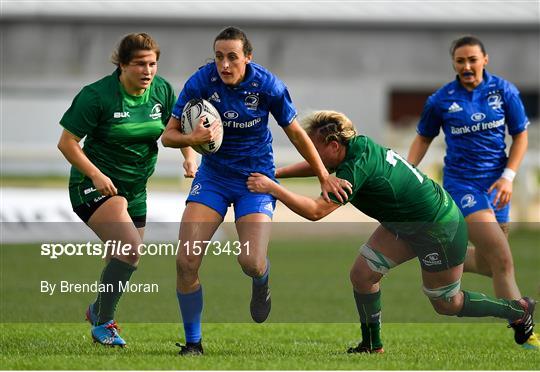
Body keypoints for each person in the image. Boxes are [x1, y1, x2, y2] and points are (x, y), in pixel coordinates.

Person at [246, 110, 536, 353]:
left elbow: (316, 211)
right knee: (362, 275)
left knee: (447, 304)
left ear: (334, 146)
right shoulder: (354, 146)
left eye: (314, 147)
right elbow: (319, 166)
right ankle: (372, 345)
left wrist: (273, 188)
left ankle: (517, 310)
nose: (309, 154)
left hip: (438, 227)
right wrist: (277, 173)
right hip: (405, 222)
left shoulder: (355, 168)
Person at [161, 26, 350, 355]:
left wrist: (322, 175)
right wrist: (193, 141)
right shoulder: (201, 82)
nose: (225, 64)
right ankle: (193, 344)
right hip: (214, 178)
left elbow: (295, 133)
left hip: (255, 181)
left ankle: (261, 280)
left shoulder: (268, 85)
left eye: (233, 57)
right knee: (186, 261)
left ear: (248, 57)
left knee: (251, 261)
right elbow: (169, 135)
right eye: (219, 57)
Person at [406, 35, 538, 350]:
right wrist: (407, 171)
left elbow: (520, 136)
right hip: (462, 186)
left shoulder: (504, 91)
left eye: (472, 60)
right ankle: (523, 326)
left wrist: (508, 177)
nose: (467, 66)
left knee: (494, 262)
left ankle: (437, 254)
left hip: (497, 185)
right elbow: (423, 138)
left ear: (484, 60)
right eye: (460, 61)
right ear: (454, 63)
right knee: (503, 261)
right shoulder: (440, 99)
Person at [57, 33, 176, 347]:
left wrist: (191, 156)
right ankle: (103, 323)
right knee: (130, 249)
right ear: (122, 65)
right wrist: (95, 175)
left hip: (136, 189)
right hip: (93, 187)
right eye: (139, 64)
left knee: (124, 258)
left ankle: (98, 309)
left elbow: (175, 129)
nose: (147, 71)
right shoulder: (96, 96)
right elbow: (67, 143)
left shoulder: (162, 91)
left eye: (152, 63)